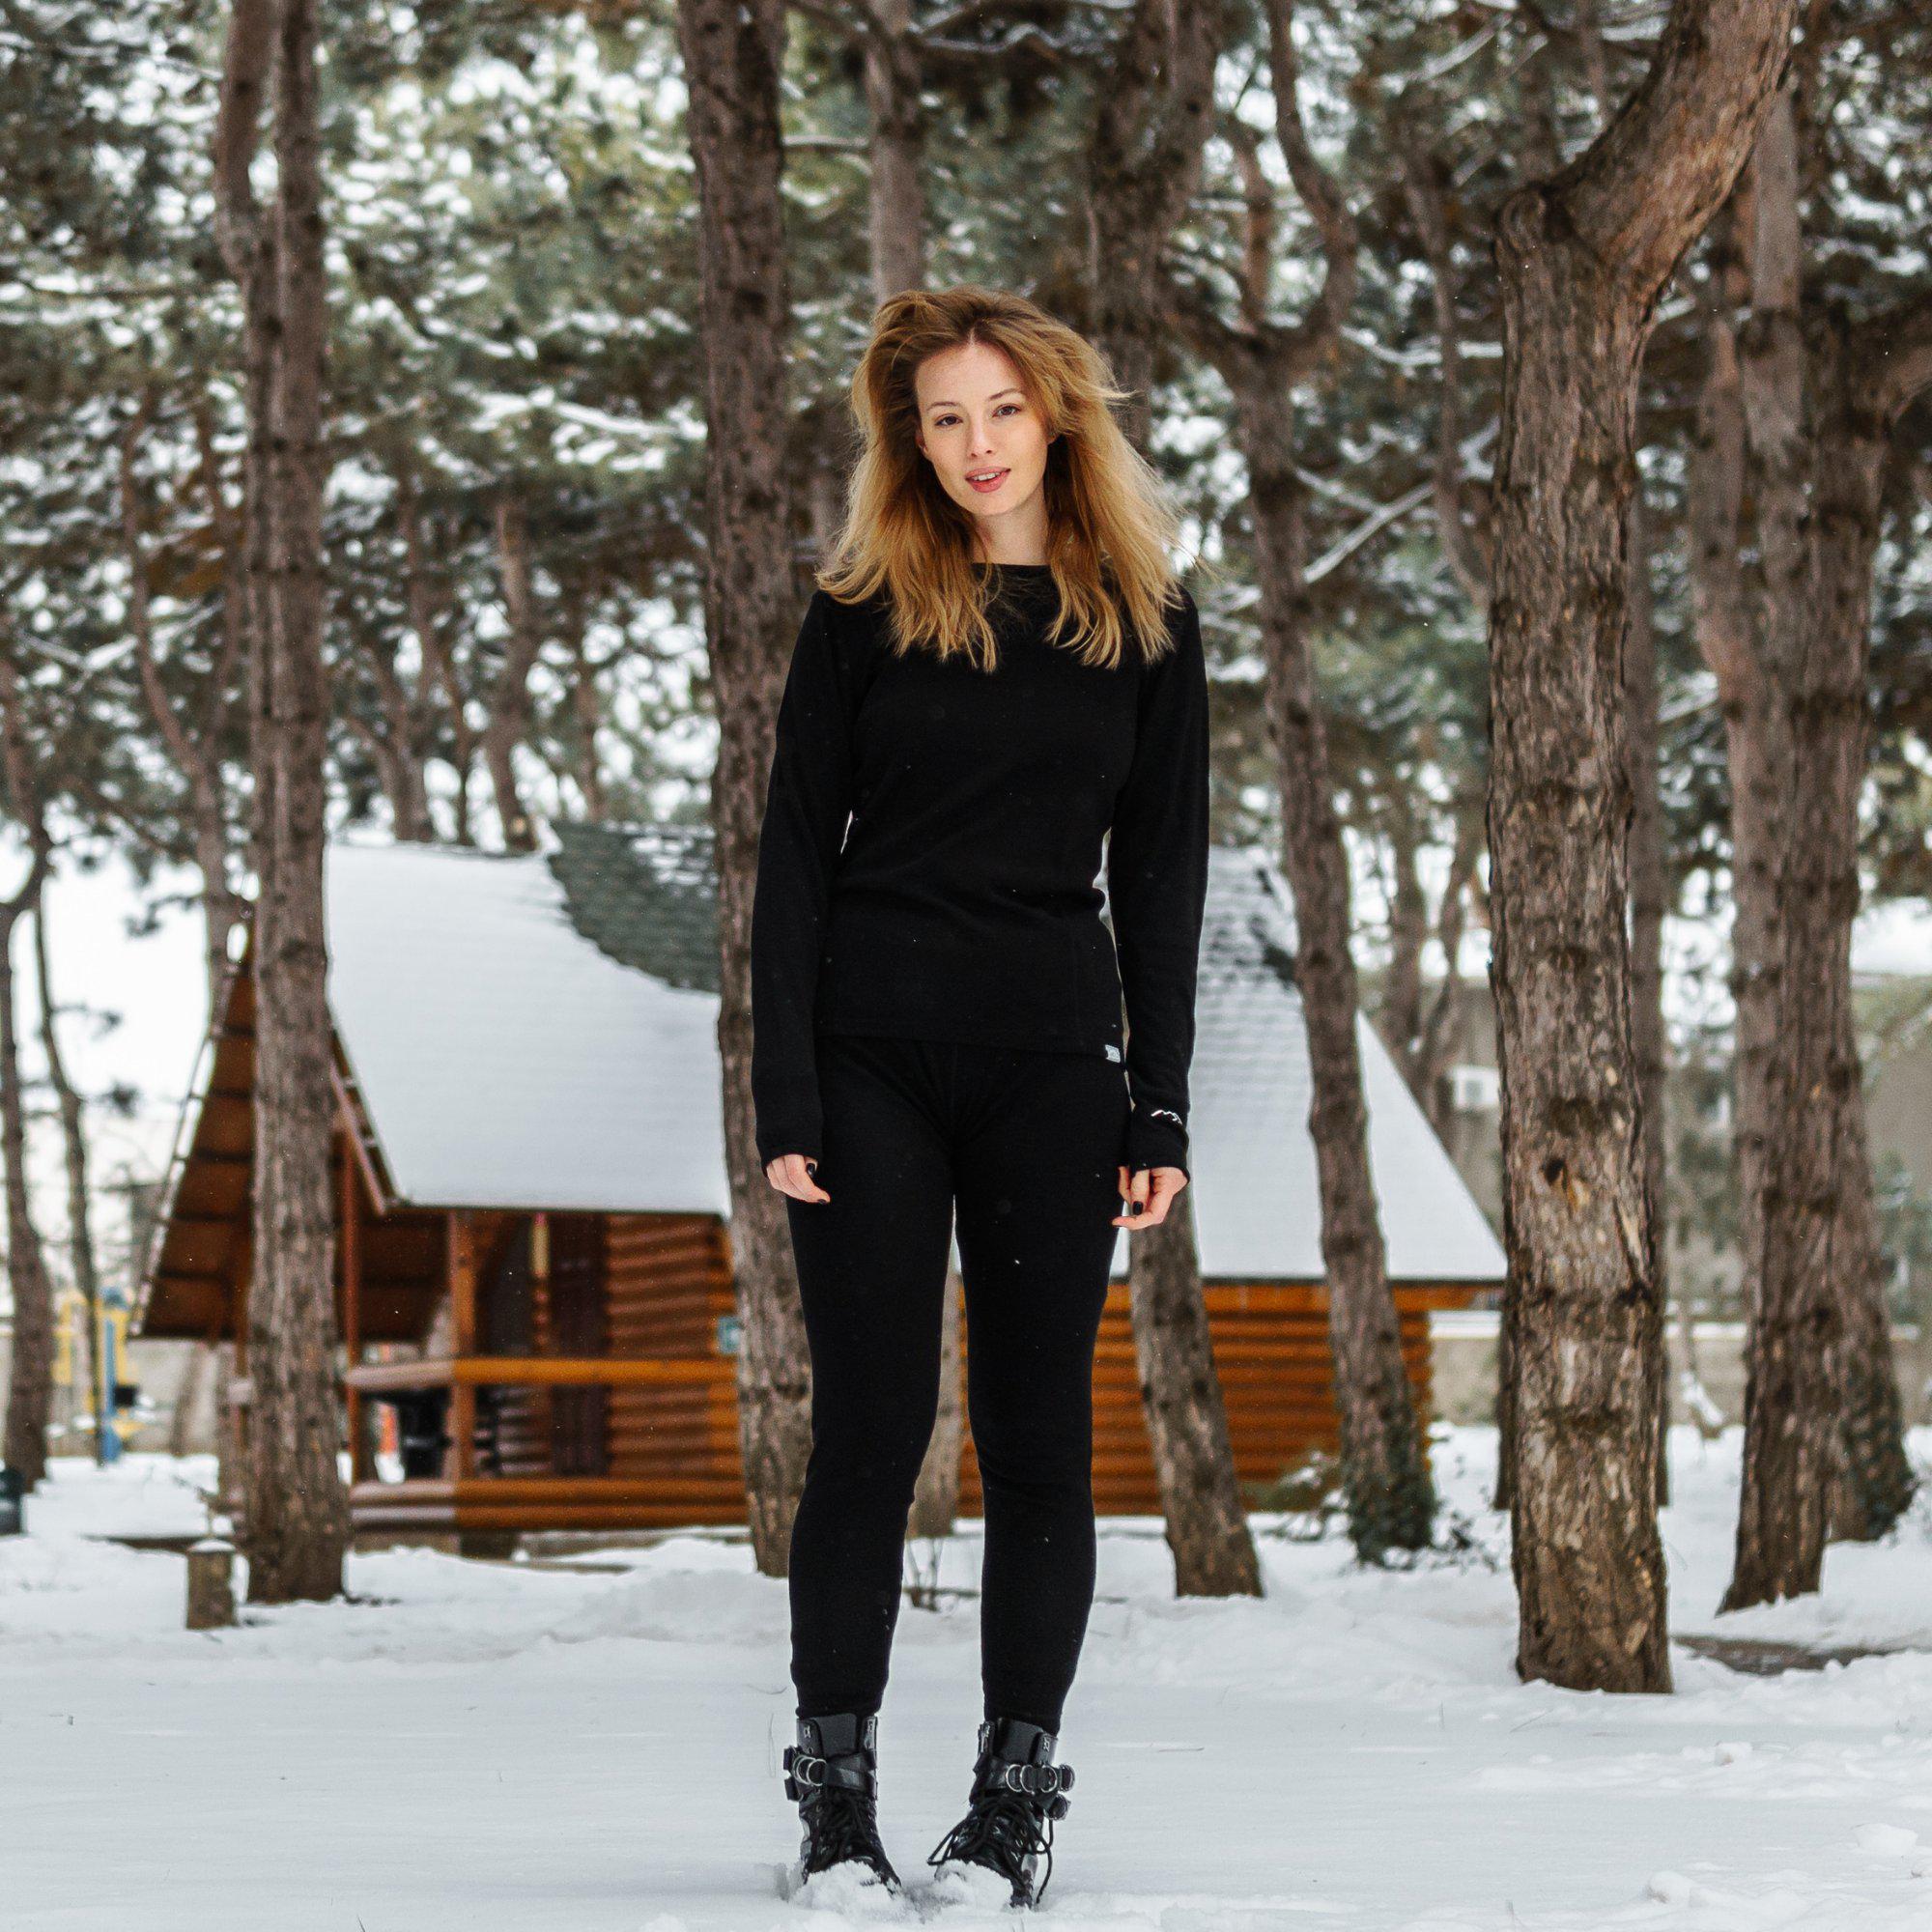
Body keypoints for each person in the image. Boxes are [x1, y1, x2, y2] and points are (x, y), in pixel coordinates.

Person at [751, 284, 1210, 1908]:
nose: (976, 444)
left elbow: (1163, 880)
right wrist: (785, 1089)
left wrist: (1161, 1105)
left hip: (1054, 1071)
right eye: (943, 418)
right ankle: (835, 1803)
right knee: (871, 1433)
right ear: (913, 438)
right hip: (870, 1057)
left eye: (1001, 410)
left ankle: (1013, 1806)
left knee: (1035, 1440)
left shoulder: (1144, 622)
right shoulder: (864, 605)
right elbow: (794, 855)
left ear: (1057, 415)